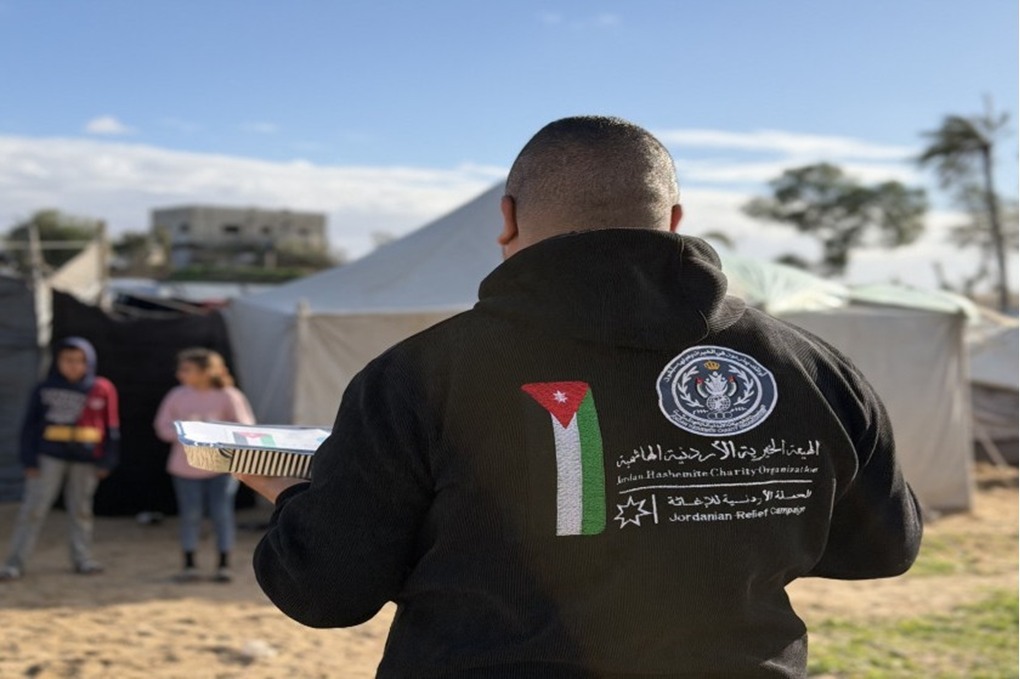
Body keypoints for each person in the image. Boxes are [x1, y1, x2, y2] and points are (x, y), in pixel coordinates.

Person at [239, 116, 923, 678]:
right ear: (674, 219)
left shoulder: (417, 376)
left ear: (506, 218)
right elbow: (882, 547)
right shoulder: (810, 368)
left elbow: (326, 591)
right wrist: (722, 524)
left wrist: (297, 495)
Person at [1, 337, 120, 581]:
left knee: (81, 510)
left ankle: (82, 559)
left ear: (89, 362)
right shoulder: (44, 388)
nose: (73, 366)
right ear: (57, 361)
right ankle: (14, 563)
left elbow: (111, 427)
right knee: (33, 510)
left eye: (79, 361)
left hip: (86, 458)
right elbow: (29, 427)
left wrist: (107, 459)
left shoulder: (101, 388)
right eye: (67, 360)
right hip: (49, 457)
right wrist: (29, 460)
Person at [154, 348, 255, 583]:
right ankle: (189, 564)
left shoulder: (229, 395)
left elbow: (246, 426)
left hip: (222, 468)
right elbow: (162, 426)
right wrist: (187, 433)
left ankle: (223, 564)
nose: (180, 374)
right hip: (185, 468)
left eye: (187, 369)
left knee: (222, 513)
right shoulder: (177, 395)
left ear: (206, 372)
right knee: (190, 515)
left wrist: (216, 433)